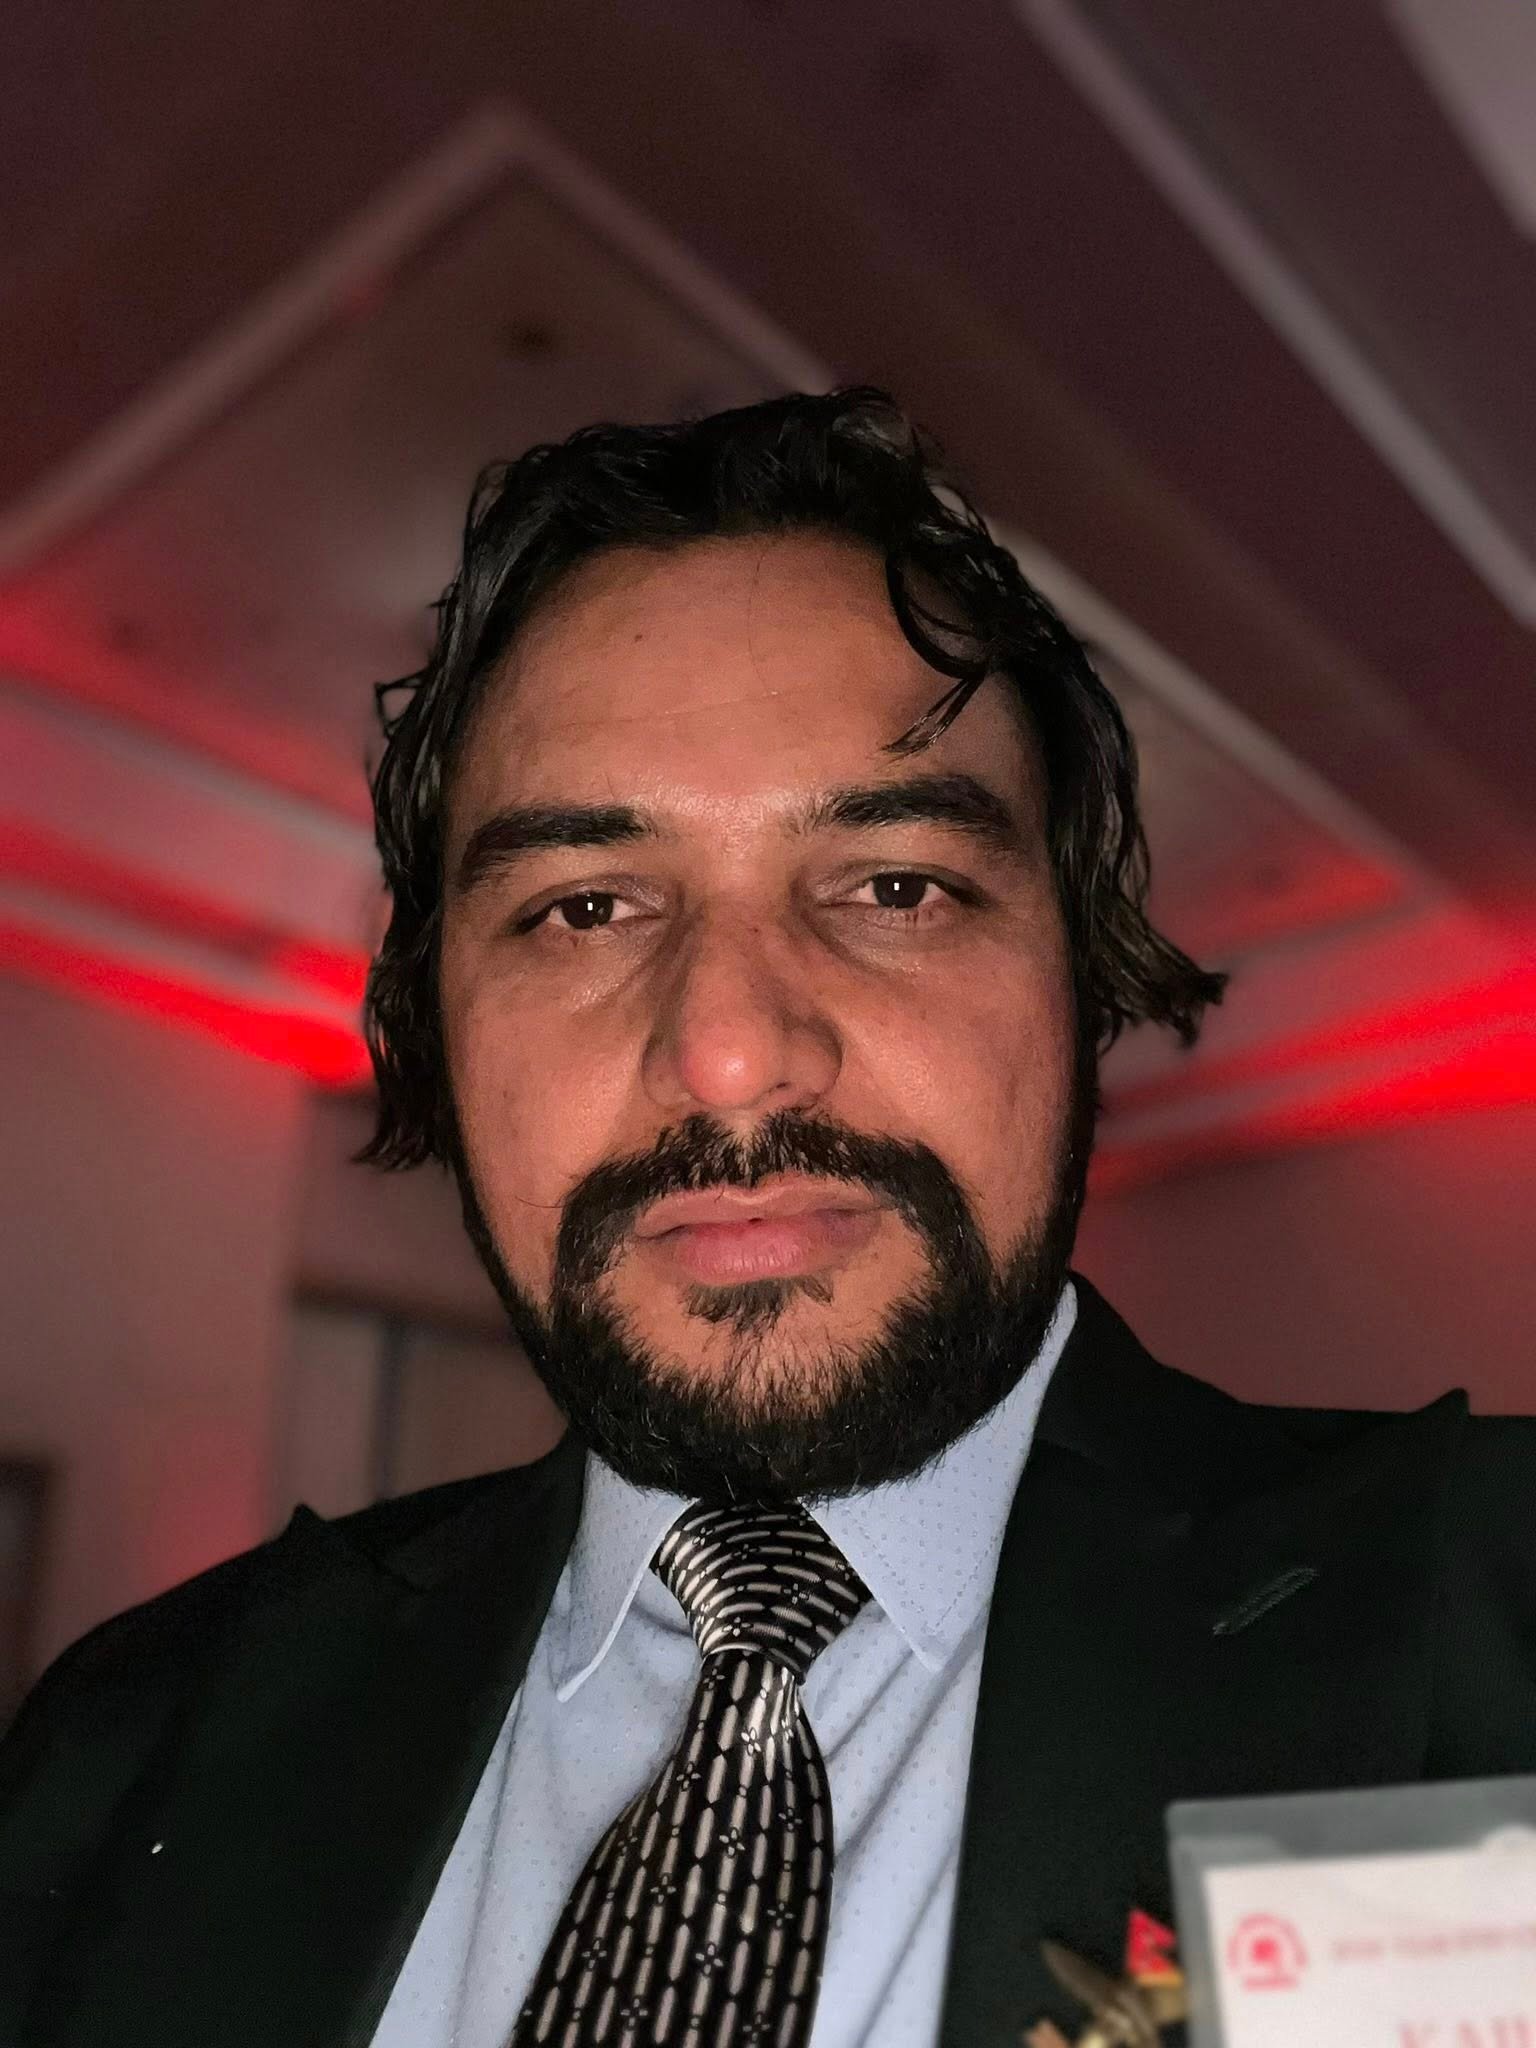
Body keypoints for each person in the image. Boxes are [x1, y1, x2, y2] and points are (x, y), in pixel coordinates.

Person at [0, 389, 1531, 2048]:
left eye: (895, 888)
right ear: (433, 1018)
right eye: (586, 907)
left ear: (1078, 973)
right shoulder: (129, 1745)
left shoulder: (1497, 1612)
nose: (730, 1055)